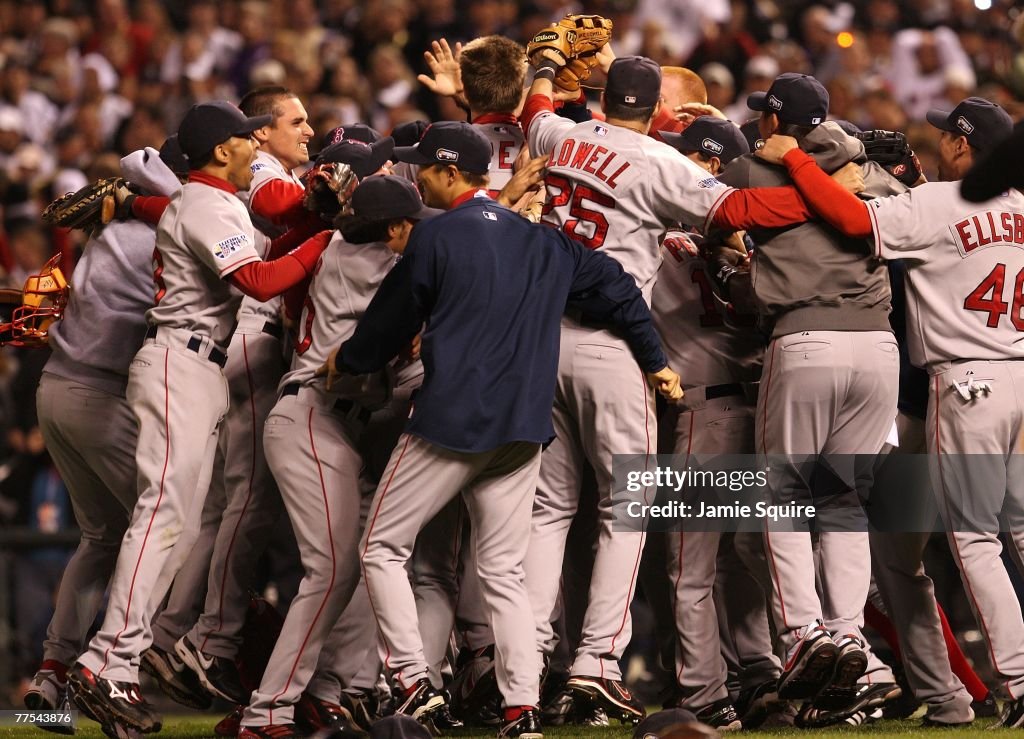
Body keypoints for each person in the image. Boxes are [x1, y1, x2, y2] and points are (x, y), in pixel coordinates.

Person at [317, 120, 683, 739]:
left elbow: (388, 323)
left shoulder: (436, 235)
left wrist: (347, 361)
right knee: (505, 574)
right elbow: (619, 287)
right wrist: (654, 359)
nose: (418, 175)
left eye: (425, 167)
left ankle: (412, 683)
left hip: (452, 422)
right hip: (522, 429)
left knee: (380, 547)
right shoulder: (543, 240)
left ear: (451, 172)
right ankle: (521, 708)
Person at [520, 54, 825, 723]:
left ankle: (525, 661)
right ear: (657, 112)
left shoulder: (562, 135)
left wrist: (542, 64)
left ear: (604, 97)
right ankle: (597, 659)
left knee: (549, 510)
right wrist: (814, 187)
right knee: (623, 511)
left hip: (543, 339)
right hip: (615, 341)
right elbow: (741, 207)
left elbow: (533, 114)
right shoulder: (663, 164)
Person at [67, 101, 334, 734]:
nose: (255, 148)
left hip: (191, 364)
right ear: (223, 151)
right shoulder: (211, 203)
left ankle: (117, 661)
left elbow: (238, 237)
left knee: (174, 523)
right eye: (247, 140)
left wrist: (132, 204)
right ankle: (106, 661)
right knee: (161, 516)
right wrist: (328, 237)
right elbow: (264, 282)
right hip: (178, 362)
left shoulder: (206, 199)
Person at [757, 94, 1023, 728]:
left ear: (962, 146)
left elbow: (853, 221)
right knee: (911, 554)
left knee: (974, 542)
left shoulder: (937, 203)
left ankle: (1016, 676)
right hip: (1018, 382)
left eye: (945, 139)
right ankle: (947, 697)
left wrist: (797, 159)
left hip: (965, 389)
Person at [239, 174, 435, 739]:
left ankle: (325, 693)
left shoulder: (341, 245)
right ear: (388, 229)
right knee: (333, 569)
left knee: (357, 562)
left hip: (331, 424)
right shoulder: (361, 258)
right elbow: (438, 261)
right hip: (312, 418)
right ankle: (268, 710)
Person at [23, 141, 187, 732]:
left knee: (102, 536)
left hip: (56, 389)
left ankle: (50, 674)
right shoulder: (164, 229)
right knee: (164, 529)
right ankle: (115, 672)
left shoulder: (117, 228)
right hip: (97, 395)